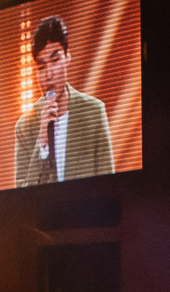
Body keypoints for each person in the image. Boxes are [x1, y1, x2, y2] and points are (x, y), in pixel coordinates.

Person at [12, 14, 116, 186]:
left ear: (67, 57)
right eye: (42, 66)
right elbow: (21, 196)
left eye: (55, 60)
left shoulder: (94, 112)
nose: (49, 74)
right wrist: (42, 144)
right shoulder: (24, 127)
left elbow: (110, 183)